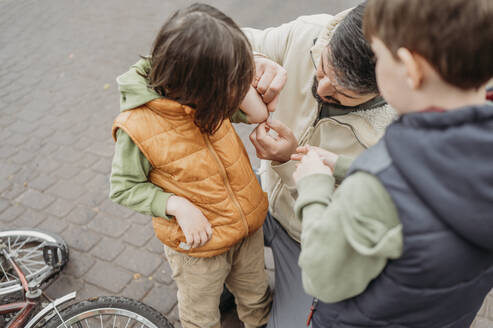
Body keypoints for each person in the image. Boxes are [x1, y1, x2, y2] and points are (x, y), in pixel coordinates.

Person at [292, 0, 493, 326]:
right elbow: (434, 184)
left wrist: (314, 187)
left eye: (380, 58)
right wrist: (346, 167)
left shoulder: (374, 189)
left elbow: (322, 277)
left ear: (409, 69)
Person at [109, 4, 273, 328]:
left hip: (245, 228)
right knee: (201, 315)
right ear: (196, 83)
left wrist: (238, 77)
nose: (234, 91)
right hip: (200, 250)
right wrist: (176, 205)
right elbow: (123, 187)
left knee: (256, 296)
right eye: (230, 83)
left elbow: (256, 114)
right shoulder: (137, 126)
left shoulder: (207, 94)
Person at [242, 2, 395, 326]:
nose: (321, 88)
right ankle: (235, 278)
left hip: (306, 236)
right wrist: (248, 60)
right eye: (322, 68)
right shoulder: (309, 32)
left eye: (342, 91)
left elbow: (350, 222)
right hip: (260, 192)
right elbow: (226, 40)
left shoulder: (398, 133)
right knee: (198, 227)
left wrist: (288, 162)